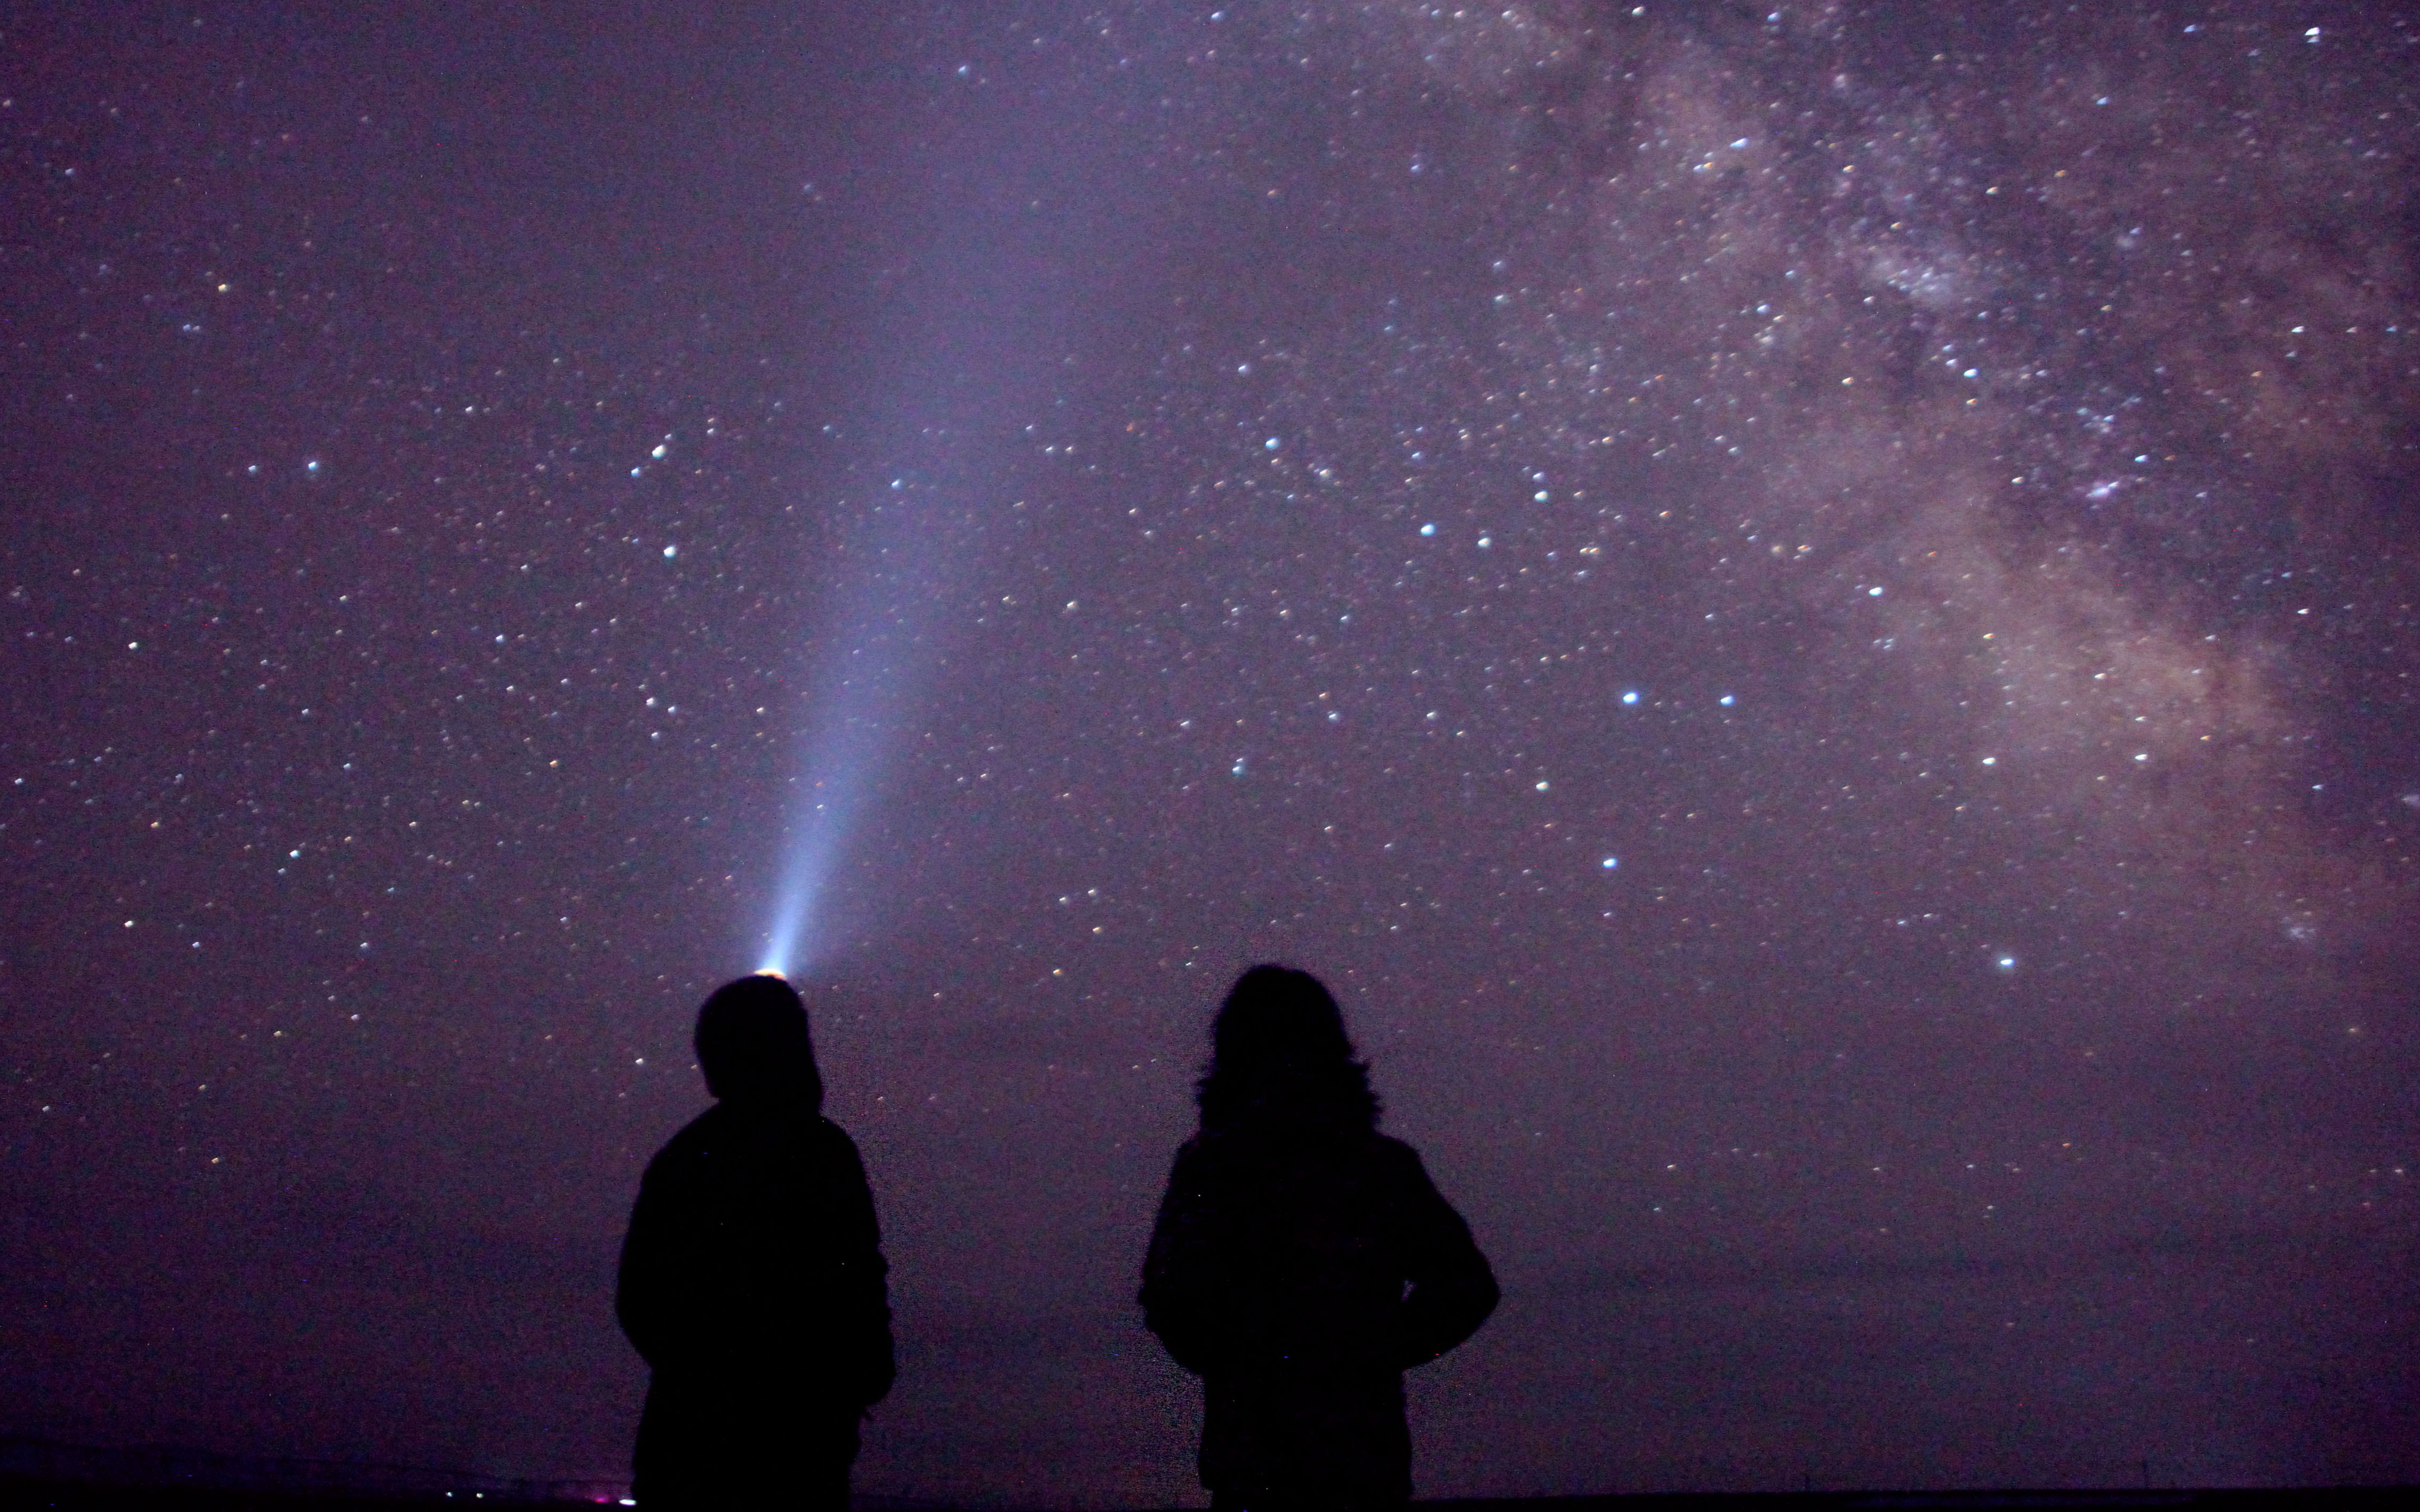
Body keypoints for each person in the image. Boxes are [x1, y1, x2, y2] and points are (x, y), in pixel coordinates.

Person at [1141, 965, 1498, 1511]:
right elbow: (1465, 1286)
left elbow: (1168, 1296)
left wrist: (1244, 1362)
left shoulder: (1213, 1167)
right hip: (1346, 1458)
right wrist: (1373, 1354)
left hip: (1267, 1461)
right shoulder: (1377, 1167)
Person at [616, 973, 894, 1510]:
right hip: (792, 1450)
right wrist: (845, 1384)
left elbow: (640, 1299)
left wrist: (702, 1379)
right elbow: (857, 1278)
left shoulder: (686, 1156)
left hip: (692, 1446)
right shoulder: (820, 1152)